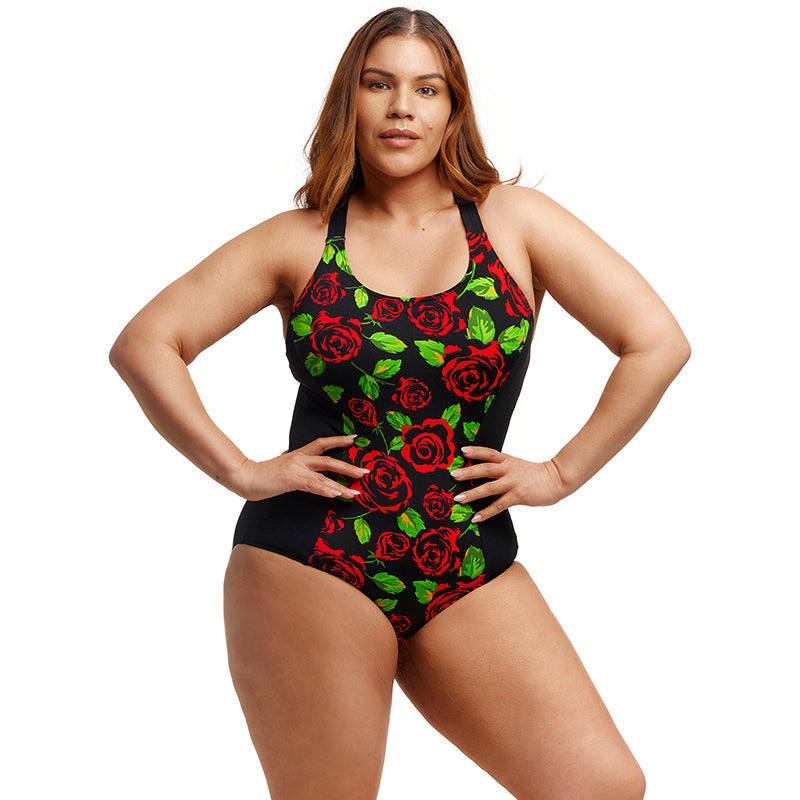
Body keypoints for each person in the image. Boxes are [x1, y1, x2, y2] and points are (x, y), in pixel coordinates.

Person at [110, 7, 689, 799]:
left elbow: (656, 341)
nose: (402, 108)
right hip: (311, 556)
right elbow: (147, 343)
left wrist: (560, 473)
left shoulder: (514, 222)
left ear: (454, 108)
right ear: (349, 99)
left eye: (427, 88)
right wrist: (241, 471)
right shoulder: (299, 239)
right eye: (379, 84)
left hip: (468, 558)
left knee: (600, 786)